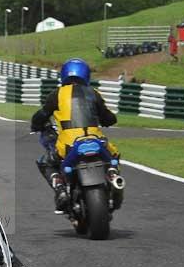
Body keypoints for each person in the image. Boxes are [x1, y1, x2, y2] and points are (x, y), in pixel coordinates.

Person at [30, 58, 119, 213]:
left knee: (45, 162)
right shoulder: (94, 93)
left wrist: (36, 125)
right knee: (114, 155)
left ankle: (60, 189)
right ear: (86, 75)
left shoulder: (57, 94)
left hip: (68, 144)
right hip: (95, 140)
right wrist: (108, 120)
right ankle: (113, 174)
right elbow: (109, 117)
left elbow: (41, 115)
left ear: (64, 74)